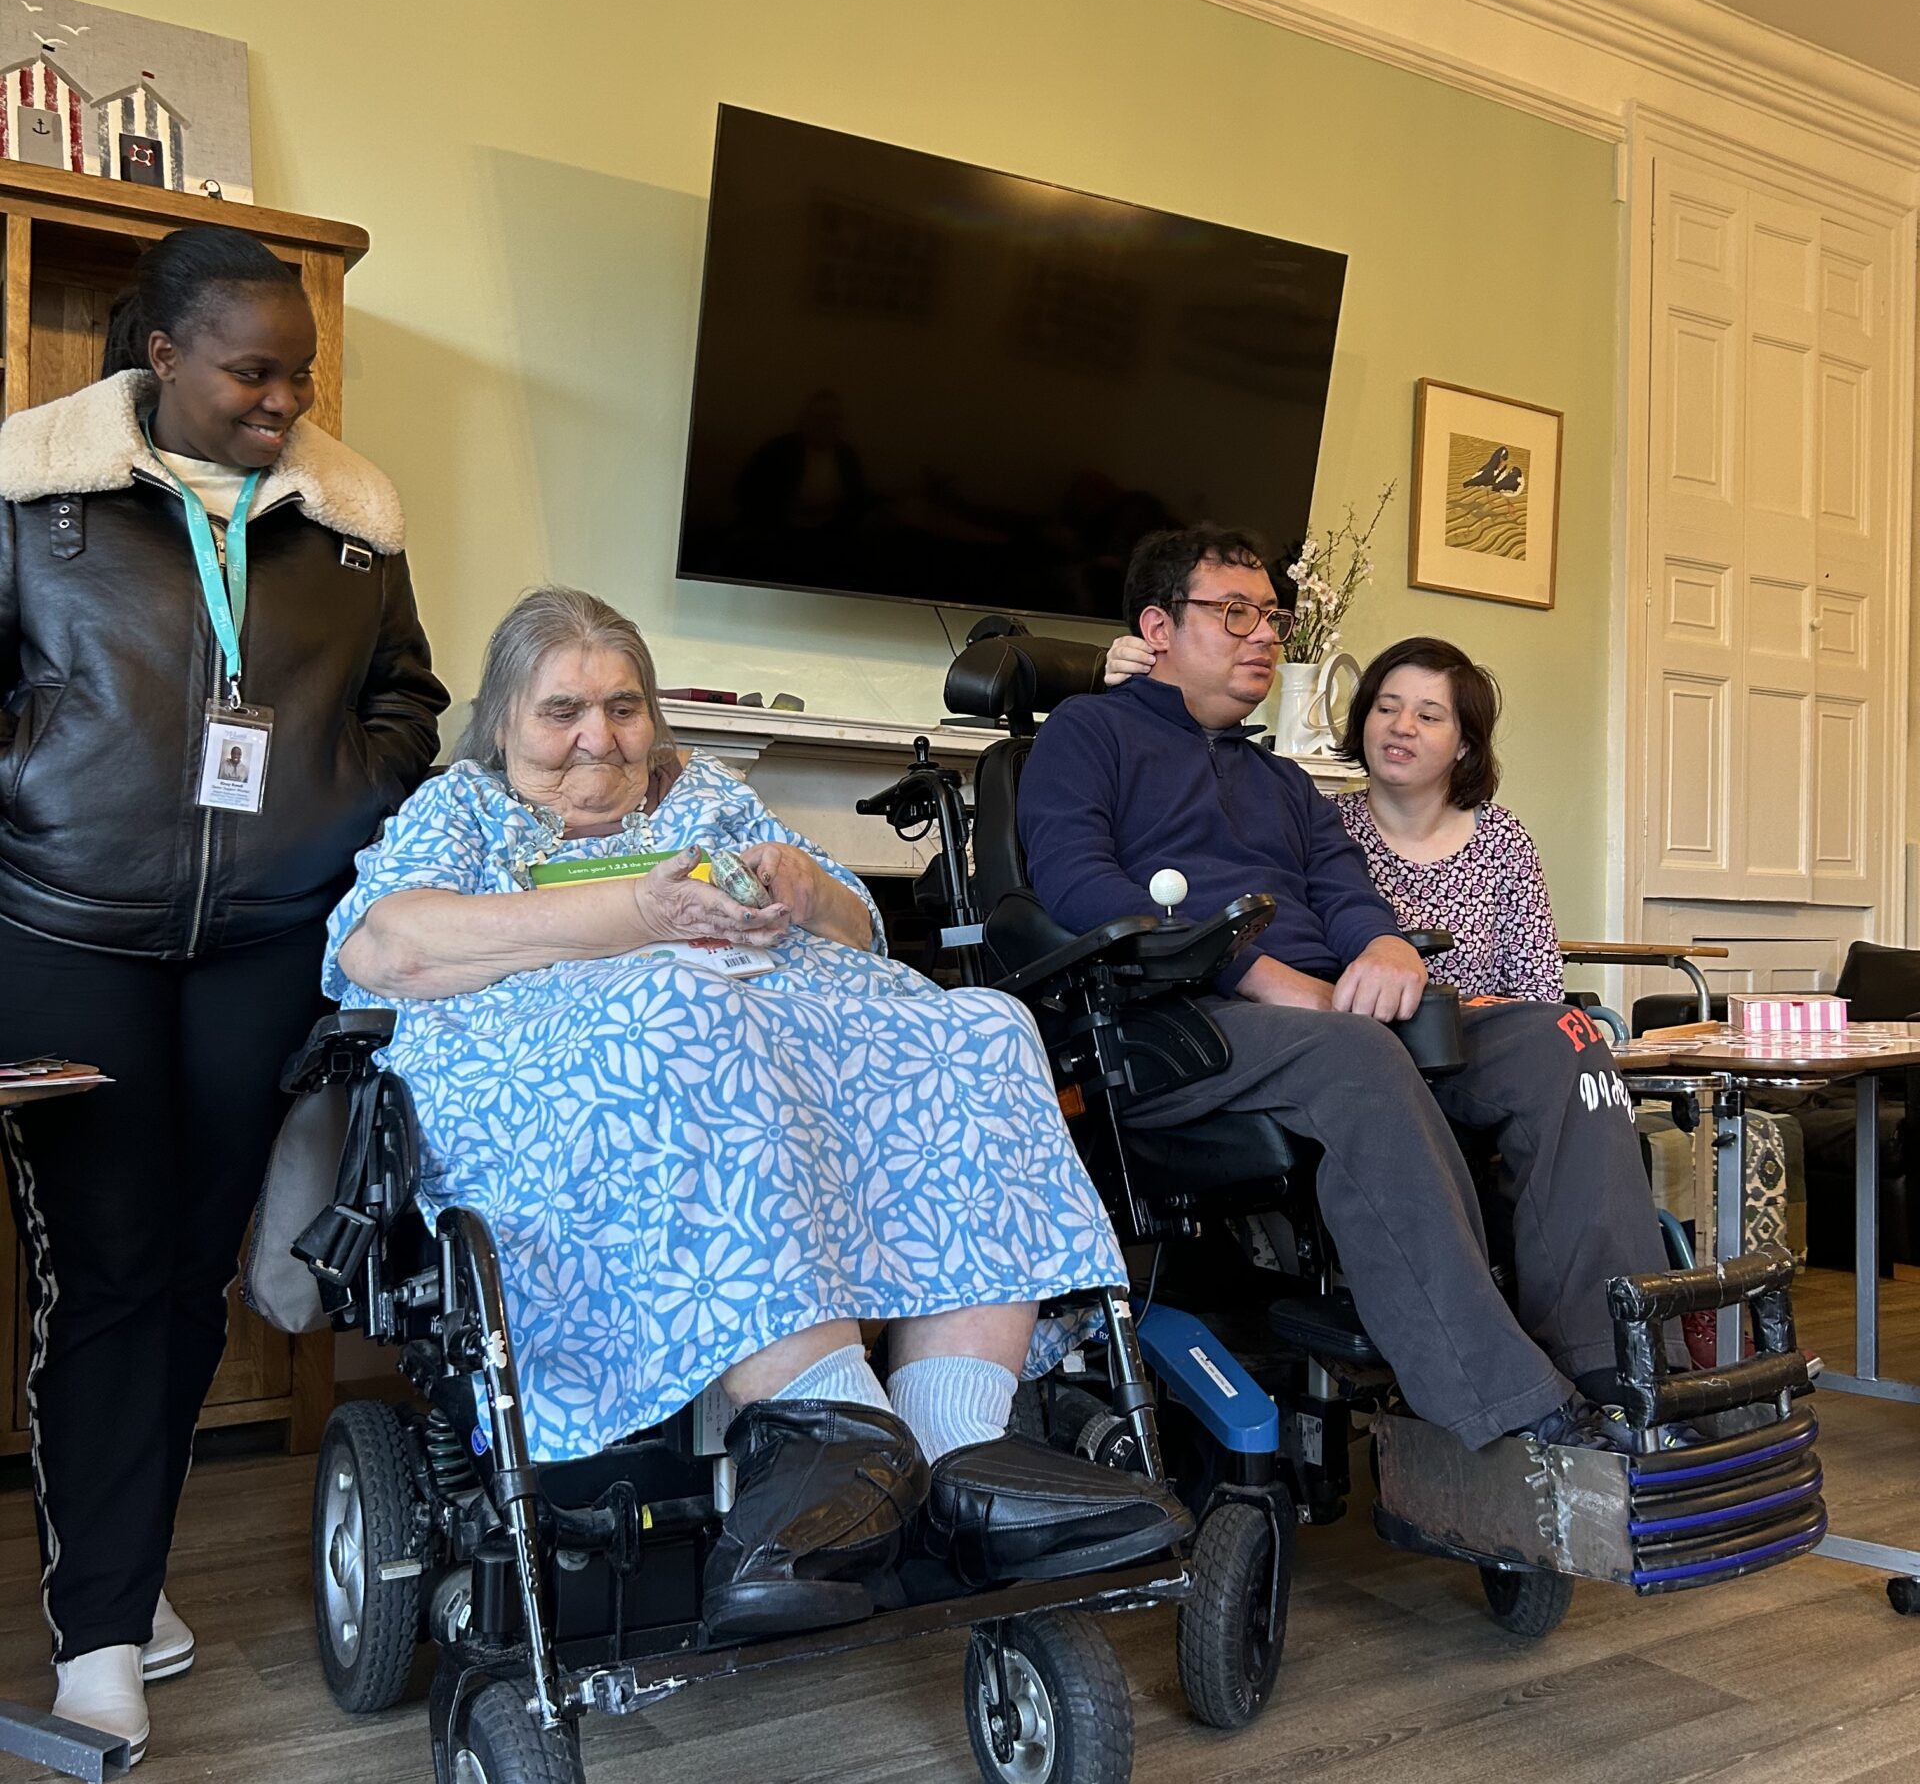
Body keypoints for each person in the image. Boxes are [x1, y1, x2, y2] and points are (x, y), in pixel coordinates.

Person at [326, 584, 1184, 1638]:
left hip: (781, 1053)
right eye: (561, 711)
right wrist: (634, 914)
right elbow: (381, 949)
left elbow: (859, 927)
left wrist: (798, 882)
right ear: (503, 722)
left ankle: (956, 1448)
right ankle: (840, 1429)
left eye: (625, 705)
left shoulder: (705, 798)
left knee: (987, 1027)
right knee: (690, 1001)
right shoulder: (462, 812)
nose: (599, 735)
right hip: (569, 1080)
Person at [0, 224, 446, 1764]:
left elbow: (409, 700)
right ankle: (104, 1631)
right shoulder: (33, 492)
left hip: (265, 939)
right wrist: (37, 781)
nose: (281, 405)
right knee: (107, 1266)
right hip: (68, 931)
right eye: (251, 373)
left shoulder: (349, 519)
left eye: (299, 375)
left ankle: (117, 1563)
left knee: (193, 1267)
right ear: (163, 356)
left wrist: (332, 797)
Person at [1023, 523, 1667, 1454]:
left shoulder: (1282, 780)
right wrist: (1256, 972)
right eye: (1233, 612)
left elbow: (1346, 893)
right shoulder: (1087, 734)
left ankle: (1616, 1368)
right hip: (1175, 1025)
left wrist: (1388, 949)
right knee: (1358, 1052)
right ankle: (1514, 1406)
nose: (1262, 636)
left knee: (1557, 1039)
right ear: (1158, 628)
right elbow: (1078, 885)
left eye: (1271, 615)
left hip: (1326, 1019)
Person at [1334, 637, 1563, 1002]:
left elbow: (1540, 991)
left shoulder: (1502, 839)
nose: (1402, 727)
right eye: (1387, 708)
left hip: (1481, 1048)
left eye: (1428, 717)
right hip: (1352, 1045)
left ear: (1464, 745)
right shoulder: (1323, 825)